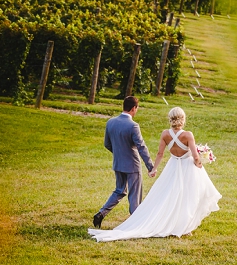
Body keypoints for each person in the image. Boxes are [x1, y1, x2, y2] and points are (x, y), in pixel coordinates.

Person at [88, 106, 221, 242]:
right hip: (187, 168)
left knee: (169, 195)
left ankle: (175, 224)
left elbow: (160, 154)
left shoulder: (165, 134)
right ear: (183, 119)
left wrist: (154, 169)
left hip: (173, 167)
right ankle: (184, 227)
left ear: (170, 118)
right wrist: (199, 163)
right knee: (188, 197)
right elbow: (195, 156)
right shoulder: (188, 135)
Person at [93, 96, 156, 229]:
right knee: (134, 194)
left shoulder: (110, 122)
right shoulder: (133, 125)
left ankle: (101, 213)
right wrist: (150, 166)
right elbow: (141, 147)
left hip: (118, 163)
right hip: (132, 165)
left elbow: (107, 144)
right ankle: (135, 223)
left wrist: (119, 153)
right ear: (134, 108)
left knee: (119, 191)